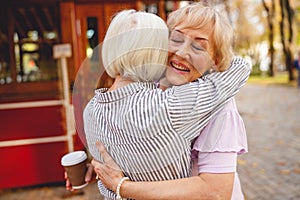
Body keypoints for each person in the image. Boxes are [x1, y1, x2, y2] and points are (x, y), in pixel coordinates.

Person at [69, 5, 250, 200]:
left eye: (198, 47)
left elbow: (215, 192)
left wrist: (121, 186)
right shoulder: (153, 89)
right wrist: (103, 163)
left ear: (215, 61)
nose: (181, 52)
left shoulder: (219, 107)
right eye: (176, 39)